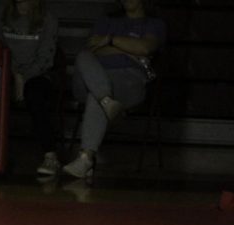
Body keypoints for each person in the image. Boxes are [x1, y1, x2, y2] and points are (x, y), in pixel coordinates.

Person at [63, 0, 166, 178]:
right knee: (83, 56)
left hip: (128, 81)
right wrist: (128, 51)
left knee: (96, 94)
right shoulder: (106, 21)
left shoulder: (153, 23)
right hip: (95, 74)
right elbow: (94, 49)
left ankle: (86, 158)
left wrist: (110, 40)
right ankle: (108, 103)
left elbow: (145, 47)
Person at [0, 0, 61, 176]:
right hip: (5, 71)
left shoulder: (47, 19)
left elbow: (46, 58)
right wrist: (14, 75)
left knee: (35, 94)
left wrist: (25, 77)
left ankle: (50, 155)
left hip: (37, 74)